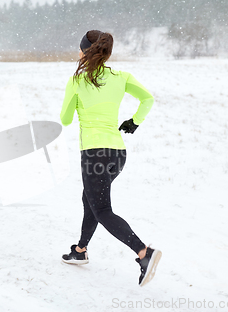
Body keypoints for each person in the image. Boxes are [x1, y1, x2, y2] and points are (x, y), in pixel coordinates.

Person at [59, 30, 162, 287]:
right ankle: (80, 250)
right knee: (91, 199)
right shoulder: (121, 77)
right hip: (117, 154)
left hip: (94, 154)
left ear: (85, 51)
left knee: (102, 209)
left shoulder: (77, 81)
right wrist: (134, 121)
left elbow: (65, 119)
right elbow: (148, 98)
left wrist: (77, 100)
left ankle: (143, 253)